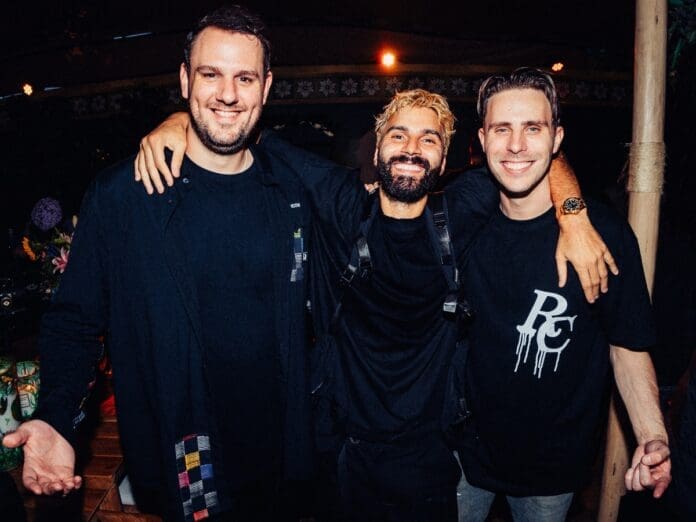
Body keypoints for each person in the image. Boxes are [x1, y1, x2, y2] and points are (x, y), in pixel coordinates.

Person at [133, 82, 617, 520]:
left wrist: (573, 216)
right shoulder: (341, 200)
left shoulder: (464, 208)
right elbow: (244, 130)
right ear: (377, 147)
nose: (412, 148)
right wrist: (179, 120)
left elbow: (535, 156)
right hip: (343, 453)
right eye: (399, 135)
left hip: (428, 458)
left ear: (445, 161)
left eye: (429, 139)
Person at [2, 6, 315, 521]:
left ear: (267, 86)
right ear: (185, 79)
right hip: (188, 454)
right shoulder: (124, 197)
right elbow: (75, 321)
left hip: (282, 457)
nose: (229, 94)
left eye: (245, 77)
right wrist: (56, 418)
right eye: (211, 74)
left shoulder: (292, 193)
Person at [454, 67, 671, 522]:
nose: (516, 145)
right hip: (465, 455)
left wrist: (653, 437)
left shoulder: (602, 235)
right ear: (482, 139)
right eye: (502, 129)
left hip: (552, 469)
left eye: (533, 128)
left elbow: (627, 346)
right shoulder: (463, 220)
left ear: (557, 139)